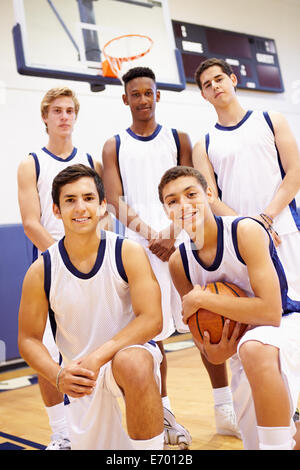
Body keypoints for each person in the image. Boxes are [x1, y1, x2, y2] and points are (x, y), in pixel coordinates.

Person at [18, 164, 164, 450]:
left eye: (88, 198)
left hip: (124, 357)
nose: (80, 207)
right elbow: (28, 339)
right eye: (70, 200)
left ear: (102, 207)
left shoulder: (127, 252)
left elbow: (152, 320)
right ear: (57, 210)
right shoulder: (42, 270)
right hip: (80, 374)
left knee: (133, 362)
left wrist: (100, 356)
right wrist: (57, 375)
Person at [159, 165, 300, 450]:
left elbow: (270, 312)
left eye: (191, 194)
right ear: (166, 210)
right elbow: (204, 341)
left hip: (285, 325)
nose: (183, 205)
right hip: (241, 346)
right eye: (172, 201)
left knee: (254, 346)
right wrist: (214, 352)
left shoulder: (245, 230)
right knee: (258, 441)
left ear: (209, 193)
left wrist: (203, 299)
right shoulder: (179, 262)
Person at [102, 66, 195, 448]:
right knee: (150, 337)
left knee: (204, 325)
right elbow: (113, 200)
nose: (143, 99)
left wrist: (172, 233)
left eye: (148, 92)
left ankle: (225, 407)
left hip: (182, 242)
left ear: (158, 95)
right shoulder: (114, 145)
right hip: (139, 249)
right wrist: (150, 234)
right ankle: (165, 414)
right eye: (135, 94)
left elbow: (191, 189)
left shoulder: (178, 138)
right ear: (125, 99)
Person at [17, 87, 105, 450]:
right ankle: (61, 432)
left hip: (93, 265)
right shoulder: (31, 162)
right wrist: (65, 258)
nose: (64, 116)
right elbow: (30, 222)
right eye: (57, 111)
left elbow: (102, 213)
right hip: (51, 264)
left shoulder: (88, 159)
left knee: (94, 346)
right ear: (45, 117)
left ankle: (101, 425)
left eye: (70, 110)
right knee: (48, 353)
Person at [193, 57, 300, 298]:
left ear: (233, 80)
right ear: (204, 95)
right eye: (207, 85)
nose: (215, 86)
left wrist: (266, 218)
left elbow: (295, 174)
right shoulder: (204, 144)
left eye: (219, 79)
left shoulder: (271, 119)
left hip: (284, 230)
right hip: (242, 238)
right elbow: (210, 199)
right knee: (261, 312)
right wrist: (251, 227)